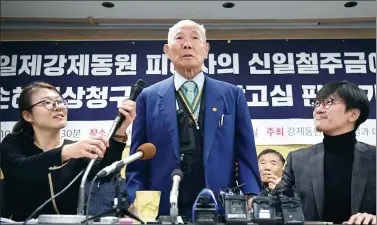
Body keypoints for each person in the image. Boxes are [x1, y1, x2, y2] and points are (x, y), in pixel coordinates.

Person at [125, 19, 262, 219]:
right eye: (179, 38)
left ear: (206, 49)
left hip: (220, 204)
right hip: (163, 204)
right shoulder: (148, 96)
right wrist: (132, 198)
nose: (187, 44)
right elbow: (138, 156)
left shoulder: (232, 94)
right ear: (167, 50)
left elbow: (245, 152)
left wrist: (251, 194)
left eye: (195, 38)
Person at [0, 81, 136, 221]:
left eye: (60, 101)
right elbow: (18, 169)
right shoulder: (14, 143)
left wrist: (120, 131)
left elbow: (105, 172)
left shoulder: (74, 150)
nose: (58, 107)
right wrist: (64, 153)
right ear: (28, 116)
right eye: (47, 102)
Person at [278, 80, 376, 224]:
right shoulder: (297, 160)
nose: (319, 109)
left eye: (328, 103)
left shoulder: (374, 158)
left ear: (353, 114)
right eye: (317, 103)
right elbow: (279, 204)